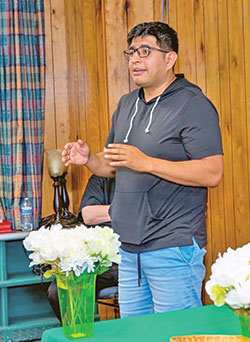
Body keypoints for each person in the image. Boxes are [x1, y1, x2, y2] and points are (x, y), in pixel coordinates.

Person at [62, 21, 223, 318]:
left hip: (172, 247)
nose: (135, 59)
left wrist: (146, 163)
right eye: (132, 52)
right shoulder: (126, 105)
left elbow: (212, 172)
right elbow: (113, 166)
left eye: (145, 51)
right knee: (136, 334)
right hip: (128, 249)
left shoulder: (192, 104)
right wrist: (90, 160)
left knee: (177, 334)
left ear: (169, 58)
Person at [47, 175, 118, 321]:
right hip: (102, 259)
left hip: (135, 257)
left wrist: (106, 213)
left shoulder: (142, 177)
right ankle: (81, 334)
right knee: (57, 291)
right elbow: (88, 215)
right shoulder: (101, 178)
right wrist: (130, 210)